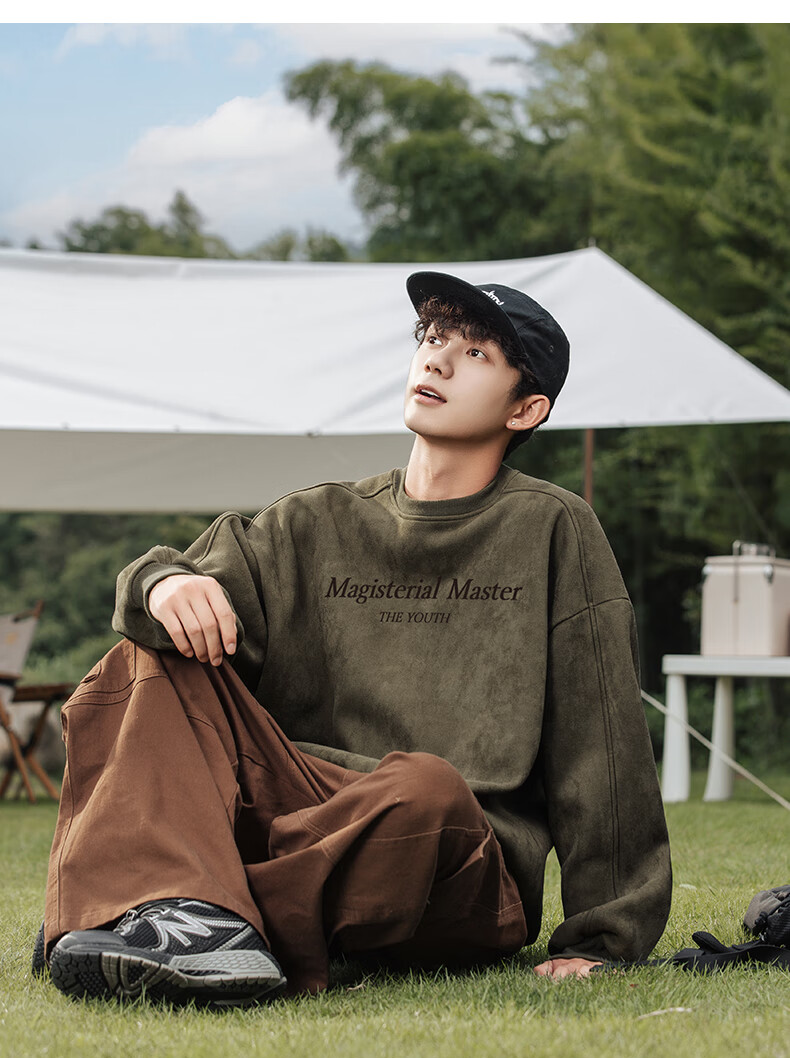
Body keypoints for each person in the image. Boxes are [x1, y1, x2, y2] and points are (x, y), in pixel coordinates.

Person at [40, 271, 672, 1006]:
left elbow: (602, 738)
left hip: (453, 855)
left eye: (475, 354)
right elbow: (157, 592)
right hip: (301, 809)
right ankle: (190, 919)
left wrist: (604, 937)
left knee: (426, 788)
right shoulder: (314, 520)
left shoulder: (553, 527)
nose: (437, 360)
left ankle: (179, 907)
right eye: (434, 338)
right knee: (145, 659)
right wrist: (163, 582)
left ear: (526, 409)